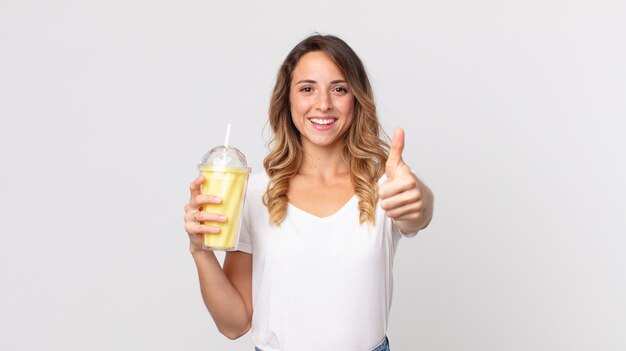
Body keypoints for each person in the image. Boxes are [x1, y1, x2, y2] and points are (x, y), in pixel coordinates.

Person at [183, 34, 434, 351]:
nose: (324, 103)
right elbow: (234, 325)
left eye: (339, 89)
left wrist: (420, 199)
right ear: (287, 100)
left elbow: (418, 215)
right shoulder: (256, 192)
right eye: (307, 89)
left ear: (356, 98)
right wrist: (200, 251)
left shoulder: (385, 186)